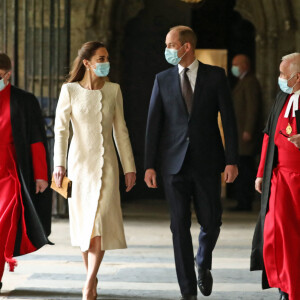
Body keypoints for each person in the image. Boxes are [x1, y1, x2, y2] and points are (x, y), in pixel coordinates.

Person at [144, 26, 239, 300]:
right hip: (173, 165)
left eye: (171, 44)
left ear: (186, 47)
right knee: (179, 226)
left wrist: (232, 160)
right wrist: (149, 165)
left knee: (212, 221)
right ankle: (187, 291)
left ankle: (202, 261)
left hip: (208, 162)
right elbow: (154, 125)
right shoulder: (161, 79)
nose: (166, 49)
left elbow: (230, 122)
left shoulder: (215, 76)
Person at [53, 41, 136, 300]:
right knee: (85, 227)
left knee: (99, 222)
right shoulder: (69, 91)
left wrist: (129, 168)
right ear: (87, 63)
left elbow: (120, 131)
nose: (105, 62)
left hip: (108, 165)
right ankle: (92, 276)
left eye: (107, 57)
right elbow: (61, 130)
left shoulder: (114, 90)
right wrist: (59, 164)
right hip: (79, 166)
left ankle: (88, 284)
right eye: (101, 58)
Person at [0, 53, 52, 290]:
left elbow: (36, 140)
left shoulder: (24, 100)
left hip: (11, 171)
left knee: (2, 226)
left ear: (7, 74)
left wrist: (41, 174)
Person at [251, 52, 300, 300]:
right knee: (276, 234)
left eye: (283, 74)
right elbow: (268, 136)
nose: (279, 78)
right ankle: (285, 286)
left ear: (298, 76)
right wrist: (261, 173)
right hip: (279, 178)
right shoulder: (281, 97)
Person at [230, 54, 262, 211]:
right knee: (242, 168)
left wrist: (248, 130)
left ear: (245, 65)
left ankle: (245, 202)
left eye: (236, 64)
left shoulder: (250, 82)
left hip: (245, 136)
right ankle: (242, 201)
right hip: (240, 134)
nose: (233, 68)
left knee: (245, 169)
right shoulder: (243, 81)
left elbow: (252, 108)